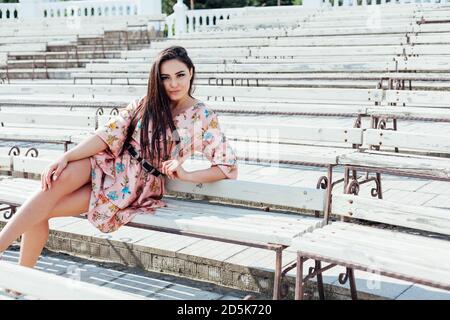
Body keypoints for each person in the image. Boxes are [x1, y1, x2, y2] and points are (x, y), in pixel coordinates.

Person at [0, 46, 238, 271]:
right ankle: (14, 272)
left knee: (39, 211)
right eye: (165, 77)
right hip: (109, 160)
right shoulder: (146, 103)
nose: (173, 83)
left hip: (133, 185)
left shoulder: (203, 116)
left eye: (180, 75)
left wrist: (187, 174)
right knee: (55, 181)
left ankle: (18, 282)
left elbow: (227, 166)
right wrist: (66, 156)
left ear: (191, 73)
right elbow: (107, 134)